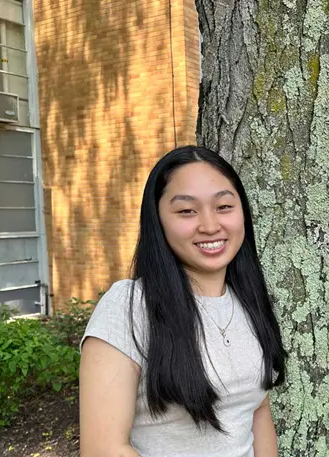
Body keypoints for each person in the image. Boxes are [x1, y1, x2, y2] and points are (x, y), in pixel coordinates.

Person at [79, 146, 287, 457]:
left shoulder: (250, 301)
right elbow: (104, 449)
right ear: (158, 221)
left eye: (224, 206)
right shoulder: (129, 306)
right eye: (187, 211)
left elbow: (256, 411)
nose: (210, 225)